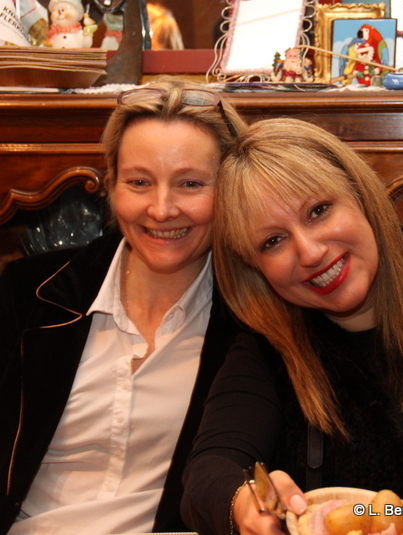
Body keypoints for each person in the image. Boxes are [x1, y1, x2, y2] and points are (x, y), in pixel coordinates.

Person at [180, 118, 403, 535]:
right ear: (255, 267)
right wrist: (244, 502)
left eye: (318, 211)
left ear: (359, 194)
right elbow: (208, 472)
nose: (310, 252)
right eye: (273, 241)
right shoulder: (268, 349)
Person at [0, 78, 248, 534]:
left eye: (190, 183)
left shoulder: (254, 323)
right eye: (139, 182)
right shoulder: (28, 293)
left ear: (232, 190)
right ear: (111, 185)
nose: (161, 209)